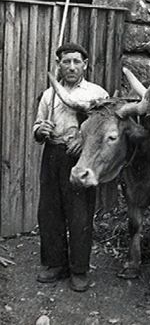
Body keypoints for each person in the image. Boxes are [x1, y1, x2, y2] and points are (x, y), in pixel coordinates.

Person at [33, 42, 109, 292]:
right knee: (49, 212)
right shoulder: (49, 95)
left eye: (77, 61)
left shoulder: (97, 94)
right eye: (66, 61)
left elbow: (104, 130)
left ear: (85, 65)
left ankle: (79, 270)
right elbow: (37, 126)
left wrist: (83, 140)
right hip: (53, 155)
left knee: (80, 214)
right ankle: (55, 265)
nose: (72, 66)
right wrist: (41, 130)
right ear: (59, 65)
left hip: (81, 159)